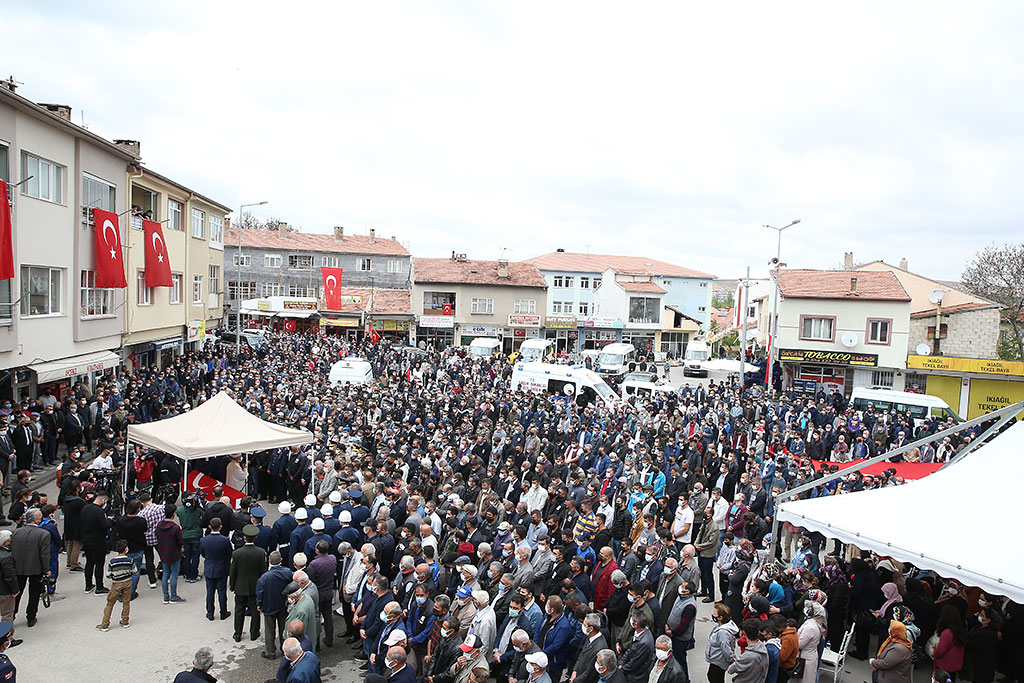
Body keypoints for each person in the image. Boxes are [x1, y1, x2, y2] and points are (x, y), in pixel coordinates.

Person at [10, 508, 50, 627]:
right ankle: (31, 617)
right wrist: (46, 569)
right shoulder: (43, 534)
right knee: (34, 593)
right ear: (36, 520)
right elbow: (44, 554)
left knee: (17, 593)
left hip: (18, 568)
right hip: (36, 568)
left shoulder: (15, 533)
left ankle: (11, 616)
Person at [230, 525, 268, 642]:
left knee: (239, 610)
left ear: (244, 538)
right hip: (255, 586)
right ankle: (254, 632)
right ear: (255, 538)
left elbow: (233, 572)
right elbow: (263, 572)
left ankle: (238, 633)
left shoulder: (237, 553)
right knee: (255, 610)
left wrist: (232, 585)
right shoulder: (261, 553)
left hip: (240, 586)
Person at [257, 550, 294, 660]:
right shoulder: (287, 572)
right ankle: (285, 649)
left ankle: (270, 652)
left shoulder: (264, 577)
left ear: (269, 561)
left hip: (269, 606)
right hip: (283, 605)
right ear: (281, 560)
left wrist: (259, 604)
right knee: (284, 628)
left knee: (269, 630)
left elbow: (260, 592)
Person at [96, 539, 135, 631]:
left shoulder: (112, 561)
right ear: (126, 549)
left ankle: (105, 624)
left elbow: (108, 574)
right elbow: (135, 571)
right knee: (126, 602)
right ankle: (125, 620)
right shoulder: (130, 560)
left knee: (110, 603)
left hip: (116, 584)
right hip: (127, 582)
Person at [200, 517, 233, 621]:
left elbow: (203, 553)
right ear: (221, 527)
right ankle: (223, 612)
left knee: (210, 592)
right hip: (222, 568)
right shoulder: (225, 540)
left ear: (209, 527)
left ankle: (210, 613)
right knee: (222, 591)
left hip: (209, 567)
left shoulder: (204, 540)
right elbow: (229, 554)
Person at [155, 503, 186, 604]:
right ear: (173, 514)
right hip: (174, 553)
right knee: (174, 575)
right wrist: (181, 547)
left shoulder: (159, 526)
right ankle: (173, 596)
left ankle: (165, 596)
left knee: (165, 574)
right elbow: (180, 541)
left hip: (163, 552)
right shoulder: (175, 528)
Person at [932, 604, 966, 681]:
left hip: (945, 665)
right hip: (955, 664)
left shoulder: (947, 633)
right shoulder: (959, 630)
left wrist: (934, 654)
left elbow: (941, 650)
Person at [705, 603, 738, 683]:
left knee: (715, 678)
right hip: (715, 660)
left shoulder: (723, 633)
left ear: (720, 617)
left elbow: (725, 647)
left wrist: (731, 659)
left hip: (718, 662)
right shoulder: (721, 627)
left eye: (714, 614)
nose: (713, 615)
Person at [0, 531, 18, 635]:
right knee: (7, 614)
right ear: (6, 542)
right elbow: (10, 576)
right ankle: (6, 638)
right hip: (4, 590)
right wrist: (15, 589)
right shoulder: (6, 557)